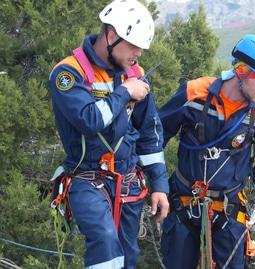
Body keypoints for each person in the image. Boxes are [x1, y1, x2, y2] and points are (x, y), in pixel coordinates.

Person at [48, 1, 169, 268]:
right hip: (86, 180)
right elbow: (89, 120)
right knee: (105, 244)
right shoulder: (68, 74)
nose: (138, 54)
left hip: (127, 182)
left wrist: (159, 185)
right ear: (112, 36)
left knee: (128, 258)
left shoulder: (134, 76)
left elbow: (149, 134)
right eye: (133, 45)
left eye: (141, 47)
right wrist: (125, 92)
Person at [158, 34, 255, 268]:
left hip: (229, 212)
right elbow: (155, 136)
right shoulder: (195, 93)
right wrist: (155, 185)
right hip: (183, 205)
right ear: (241, 71)